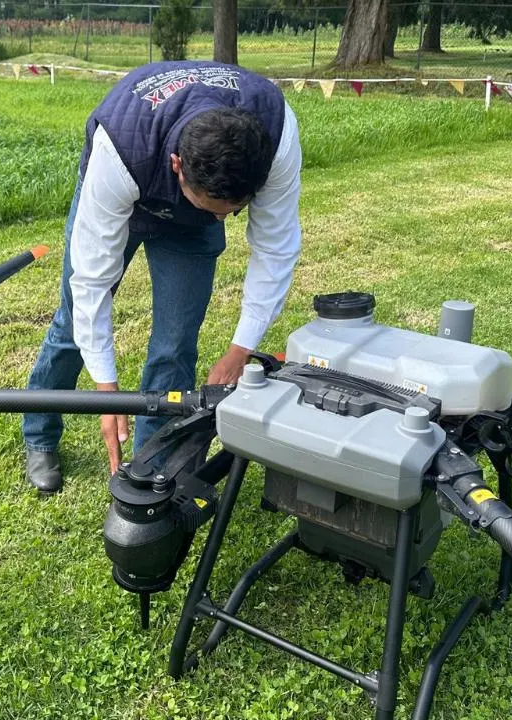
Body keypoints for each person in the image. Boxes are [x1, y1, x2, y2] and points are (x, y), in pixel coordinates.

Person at [22, 60, 303, 494]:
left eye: (232, 212)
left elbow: (275, 248)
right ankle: (40, 436)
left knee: (175, 342)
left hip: (184, 223)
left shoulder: (276, 134)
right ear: (178, 166)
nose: (221, 219)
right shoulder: (119, 149)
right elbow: (92, 283)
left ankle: (154, 458)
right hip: (130, 186)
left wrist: (239, 349)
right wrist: (107, 392)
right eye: (213, 208)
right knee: (73, 318)